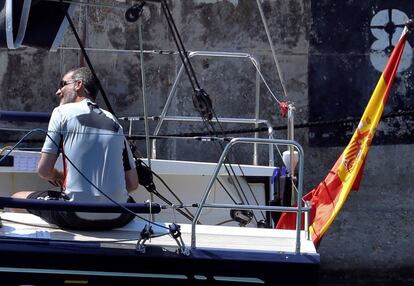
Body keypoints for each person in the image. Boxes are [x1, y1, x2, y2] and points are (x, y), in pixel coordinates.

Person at [12, 67, 139, 230]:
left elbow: (43, 171)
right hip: (119, 216)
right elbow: (133, 184)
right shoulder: (114, 122)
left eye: (62, 84)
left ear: (78, 84)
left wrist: (58, 175)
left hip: (75, 216)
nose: (58, 91)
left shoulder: (61, 113)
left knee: (17, 199)